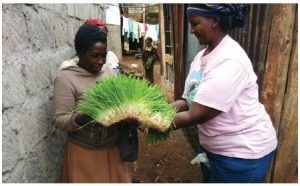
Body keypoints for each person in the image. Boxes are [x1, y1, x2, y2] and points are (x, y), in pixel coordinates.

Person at [170, 4, 278, 183]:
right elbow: (187, 100)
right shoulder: (199, 58)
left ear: (215, 20)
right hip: (214, 147)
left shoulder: (230, 60)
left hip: (243, 154)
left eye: (195, 23)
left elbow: (195, 114)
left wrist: (151, 123)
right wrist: (155, 110)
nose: (191, 31)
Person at [53, 24, 132, 183]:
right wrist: (80, 118)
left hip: (114, 148)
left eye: (104, 55)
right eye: (95, 55)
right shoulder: (66, 78)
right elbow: (59, 119)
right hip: (85, 153)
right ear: (80, 53)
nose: (101, 61)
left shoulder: (108, 72)